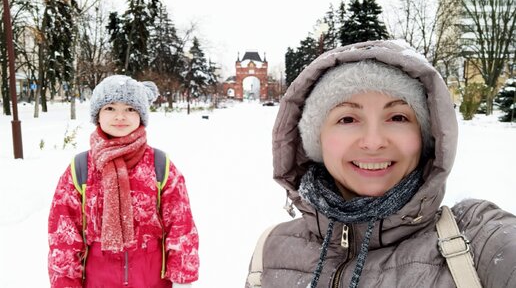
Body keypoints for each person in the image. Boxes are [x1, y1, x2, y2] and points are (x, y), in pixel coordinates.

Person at [246, 40, 516, 288]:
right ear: (316, 140)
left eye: (398, 117)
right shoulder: (269, 252)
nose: (373, 142)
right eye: (347, 119)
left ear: (425, 137)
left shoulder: (479, 239)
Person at [48, 75, 199, 288]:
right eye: (110, 108)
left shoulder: (159, 165)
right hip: (98, 281)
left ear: (141, 115)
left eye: (130, 109)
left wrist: (183, 278)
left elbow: (180, 225)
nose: (120, 116)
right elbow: (63, 236)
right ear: (97, 114)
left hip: (151, 280)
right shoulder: (81, 168)